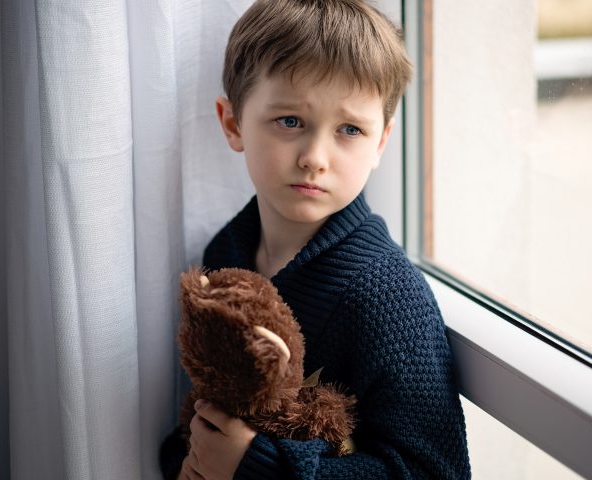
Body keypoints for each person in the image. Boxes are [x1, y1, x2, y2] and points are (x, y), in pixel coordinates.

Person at [160, 0, 470, 478]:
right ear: (233, 124)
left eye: (349, 129)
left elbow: (433, 472)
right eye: (290, 121)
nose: (315, 158)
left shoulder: (387, 297)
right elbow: (208, 410)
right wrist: (186, 460)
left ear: (380, 143)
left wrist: (257, 467)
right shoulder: (225, 254)